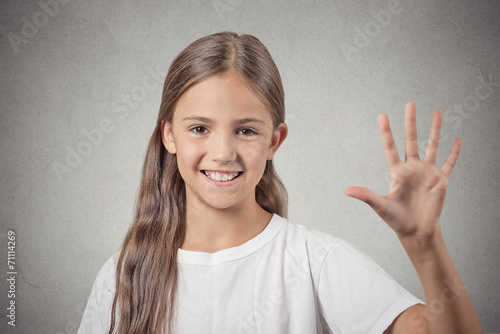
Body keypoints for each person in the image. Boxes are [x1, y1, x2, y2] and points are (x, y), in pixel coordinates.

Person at [77, 31, 482, 333]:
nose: (222, 153)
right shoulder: (123, 275)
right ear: (169, 136)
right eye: (200, 128)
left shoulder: (315, 262)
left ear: (275, 140)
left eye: (246, 131)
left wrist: (427, 247)